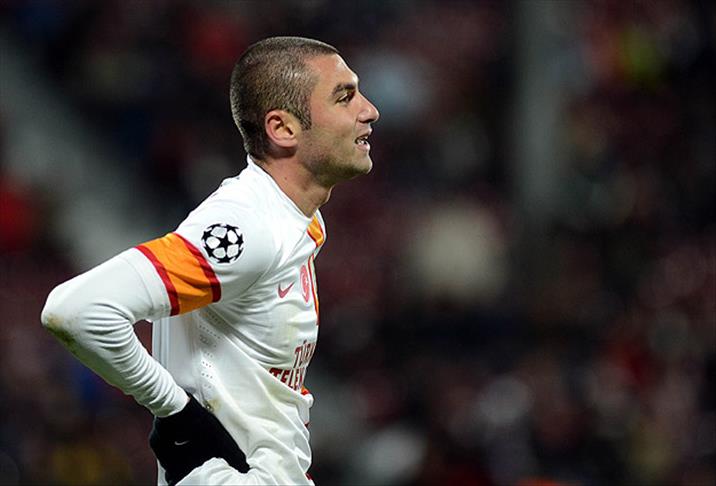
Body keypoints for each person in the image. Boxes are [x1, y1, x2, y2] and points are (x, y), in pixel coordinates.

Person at [41, 36, 379, 485]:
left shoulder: (296, 220)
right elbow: (77, 309)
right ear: (283, 129)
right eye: (344, 96)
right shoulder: (248, 225)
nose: (369, 110)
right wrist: (176, 411)